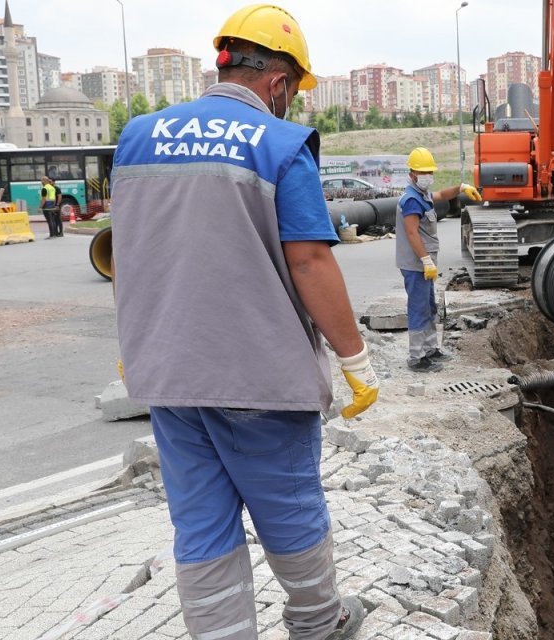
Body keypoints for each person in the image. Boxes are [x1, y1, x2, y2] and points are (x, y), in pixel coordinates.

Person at [110, 5, 375, 639]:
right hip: (259, 373)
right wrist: (355, 358)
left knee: (199, 520)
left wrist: (137, 341)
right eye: (293, 92)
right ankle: (318, 622)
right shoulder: (278, 144)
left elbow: (129, 248)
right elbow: (309, 260)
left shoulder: (140, 136)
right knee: (288, 507)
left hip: (170, 373)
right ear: (279, 82)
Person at [396, 147, 479, 372]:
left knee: (429, 306)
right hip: (416, 265)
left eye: (429, 172)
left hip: (423, 264)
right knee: (419, 308)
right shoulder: (412, 200)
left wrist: (461, 188)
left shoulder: (422, 195)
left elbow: (441, 196)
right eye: (423, 172)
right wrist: (425, 260)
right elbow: (412, 233)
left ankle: (431, 349)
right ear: (412, 173)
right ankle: (416, 357)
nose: (427, 176)